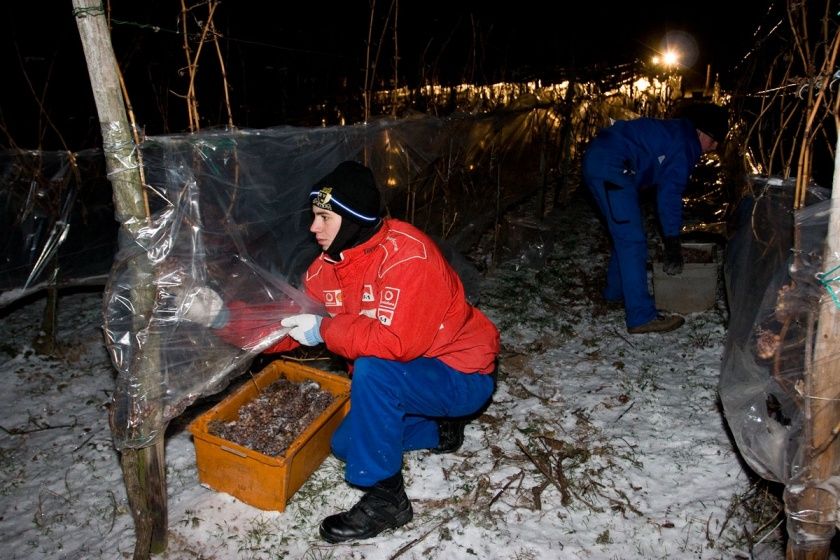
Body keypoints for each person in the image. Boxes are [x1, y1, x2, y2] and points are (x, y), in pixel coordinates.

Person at [178, 160, 500, 543]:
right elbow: (288, 328)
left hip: (461, 373)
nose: (314, 227)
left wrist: (325, 329)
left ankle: (387, 500)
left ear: (353, 218)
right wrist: (221, 316)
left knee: (373, 370)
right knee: (346, 444)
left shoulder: (409, 257)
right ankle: (439, 430)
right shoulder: (324, 271)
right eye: (313, 216)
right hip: (414, 378)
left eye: (324, 217)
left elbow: (397, 343)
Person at [581, 103, 728, 334]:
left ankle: (615, 292)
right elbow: (669, 194)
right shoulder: (686, 146)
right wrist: (672, 240)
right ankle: (641, 317)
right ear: (701, 132)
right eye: (714, 140)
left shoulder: (680, 133)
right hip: (611, 166)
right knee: (632, 240)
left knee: (626, 234)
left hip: (606, 161)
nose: (714, 147)